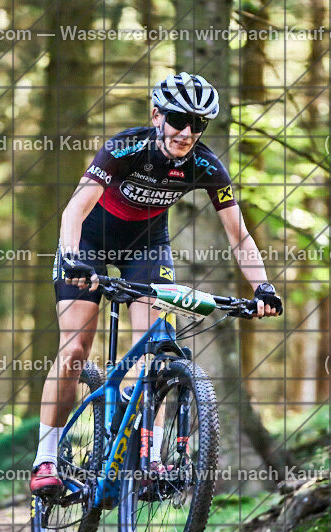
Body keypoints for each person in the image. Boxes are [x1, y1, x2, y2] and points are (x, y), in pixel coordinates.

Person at [30, 72, 283, 498]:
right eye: (179, 119)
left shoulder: (205, 166)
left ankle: (151, 459)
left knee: (155, 349)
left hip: (145, 246)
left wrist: (263, 288)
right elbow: (74, 210)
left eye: (197, 124)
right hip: (88, 242)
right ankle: (46, 459)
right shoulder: (124, 149)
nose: (186, 132)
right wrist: (71, 256)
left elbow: (238, 234)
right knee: (75, 348)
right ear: (157, 115)